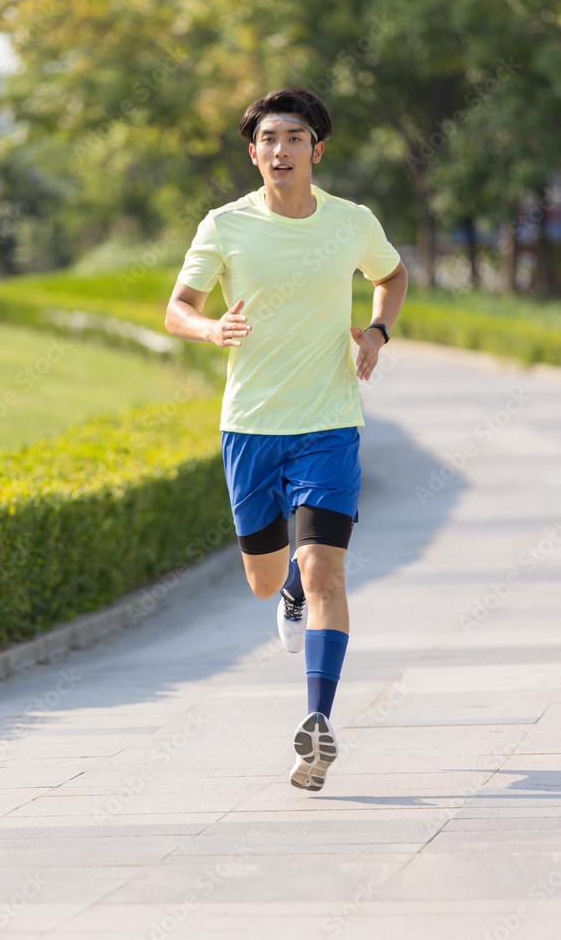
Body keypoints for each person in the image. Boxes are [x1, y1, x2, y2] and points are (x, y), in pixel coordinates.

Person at [165, 87, 407, 791]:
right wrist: (210, 328)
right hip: (249, 428)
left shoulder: (350, 221)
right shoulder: (224, 225)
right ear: (253, 152)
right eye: (268, 139)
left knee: (325, 568)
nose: (280, 150)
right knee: (267, 578)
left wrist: (376, 331)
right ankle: (289, 598)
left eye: (294, 138)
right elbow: (179, 308)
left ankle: (317, 725)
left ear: (315, 150)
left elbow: (390, 276)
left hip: (329, 424)